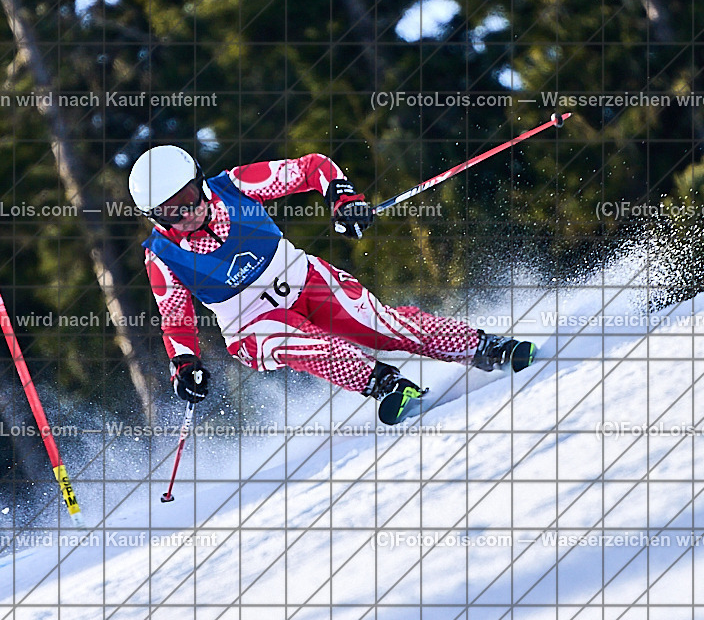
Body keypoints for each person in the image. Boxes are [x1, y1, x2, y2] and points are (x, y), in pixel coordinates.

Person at [129, 145, 535, 424]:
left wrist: (343, 198)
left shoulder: (233, 187)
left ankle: (483, 347)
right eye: (169, 210)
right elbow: (176, 319)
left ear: (199, 183)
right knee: (307, 343)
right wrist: (184, 364)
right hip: (249, 324)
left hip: (303, 278)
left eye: (186, 198)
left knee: (385, 327)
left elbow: (311, 168)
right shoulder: (162, 256)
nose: (184, 215)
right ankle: (384, 384)